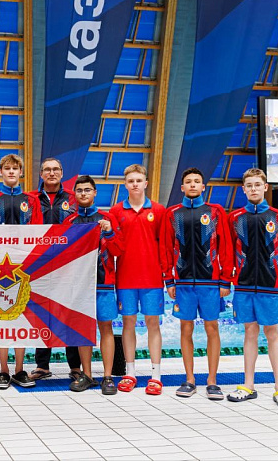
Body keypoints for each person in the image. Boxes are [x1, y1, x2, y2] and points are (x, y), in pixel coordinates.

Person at [226, 168, 278, 409]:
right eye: (249, 185)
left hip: (269, 285)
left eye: (257, 184)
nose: (253, 189)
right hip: (244, 285)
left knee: (272, 333)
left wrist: (275, 270)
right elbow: (228, 250)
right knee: (249, 332)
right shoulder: (235, 218)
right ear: (243, 189)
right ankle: (248, 385)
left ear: (265, 187)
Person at [161, 168, 233, 400]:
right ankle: (190, 379)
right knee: (186, 329)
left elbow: (226, 247)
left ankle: (212, 380)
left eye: (197, 181)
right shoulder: (173, 213)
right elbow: (165, 247)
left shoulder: (215, 212)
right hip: (183, 283)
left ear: (203, 187)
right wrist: (169, 279)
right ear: (182, 187)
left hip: (210, 282)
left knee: (212, 328)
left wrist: (225, 280)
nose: (192, 185)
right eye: (188, 182)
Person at [0, 153, 43, 389]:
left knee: (20, 315)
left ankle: (19, 369)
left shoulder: (32, 201)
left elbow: (38, 233)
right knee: (1, 314)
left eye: (15, 169)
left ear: (21, 172)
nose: (11, 172)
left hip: (23, 268)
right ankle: (3, 370)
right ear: (1, 172)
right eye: (7, 168)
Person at [63, 175, 122, 392]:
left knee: (106, 328)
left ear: (95, 192)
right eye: (79, 190)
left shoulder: (107, 218)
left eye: (87, 190)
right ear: (75, 194)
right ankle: (86, 374)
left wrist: (109, 232)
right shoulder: (69, 222)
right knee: (83, 329)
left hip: (104, 283)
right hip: (79, 285)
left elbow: (118, 250)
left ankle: (107, 376)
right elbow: (64, 255)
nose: (83, 194)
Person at [110, 164, 166, 396]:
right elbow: (113, 247)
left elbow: (164, 245)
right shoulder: (116, 211)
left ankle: (156, 375)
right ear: (125, 184)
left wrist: (167, 275)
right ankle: (130, 372)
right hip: (126, 278)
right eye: (131, 181)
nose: (135, 184)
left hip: (152, 278)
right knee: (128, 324)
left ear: (145, 183)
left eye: (138, 180)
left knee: (153, 324)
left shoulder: (159, 210)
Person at [31, 158, 78, 382]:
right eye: (47, 170)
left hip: (68, 266)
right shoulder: (31, 199)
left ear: (62, 172)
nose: (51, 173)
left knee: (70, 314)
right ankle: (42, 365)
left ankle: (75, 365)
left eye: (55, 169)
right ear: (41, 174)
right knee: (42, 314)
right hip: (40, 266)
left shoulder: (74, 198)